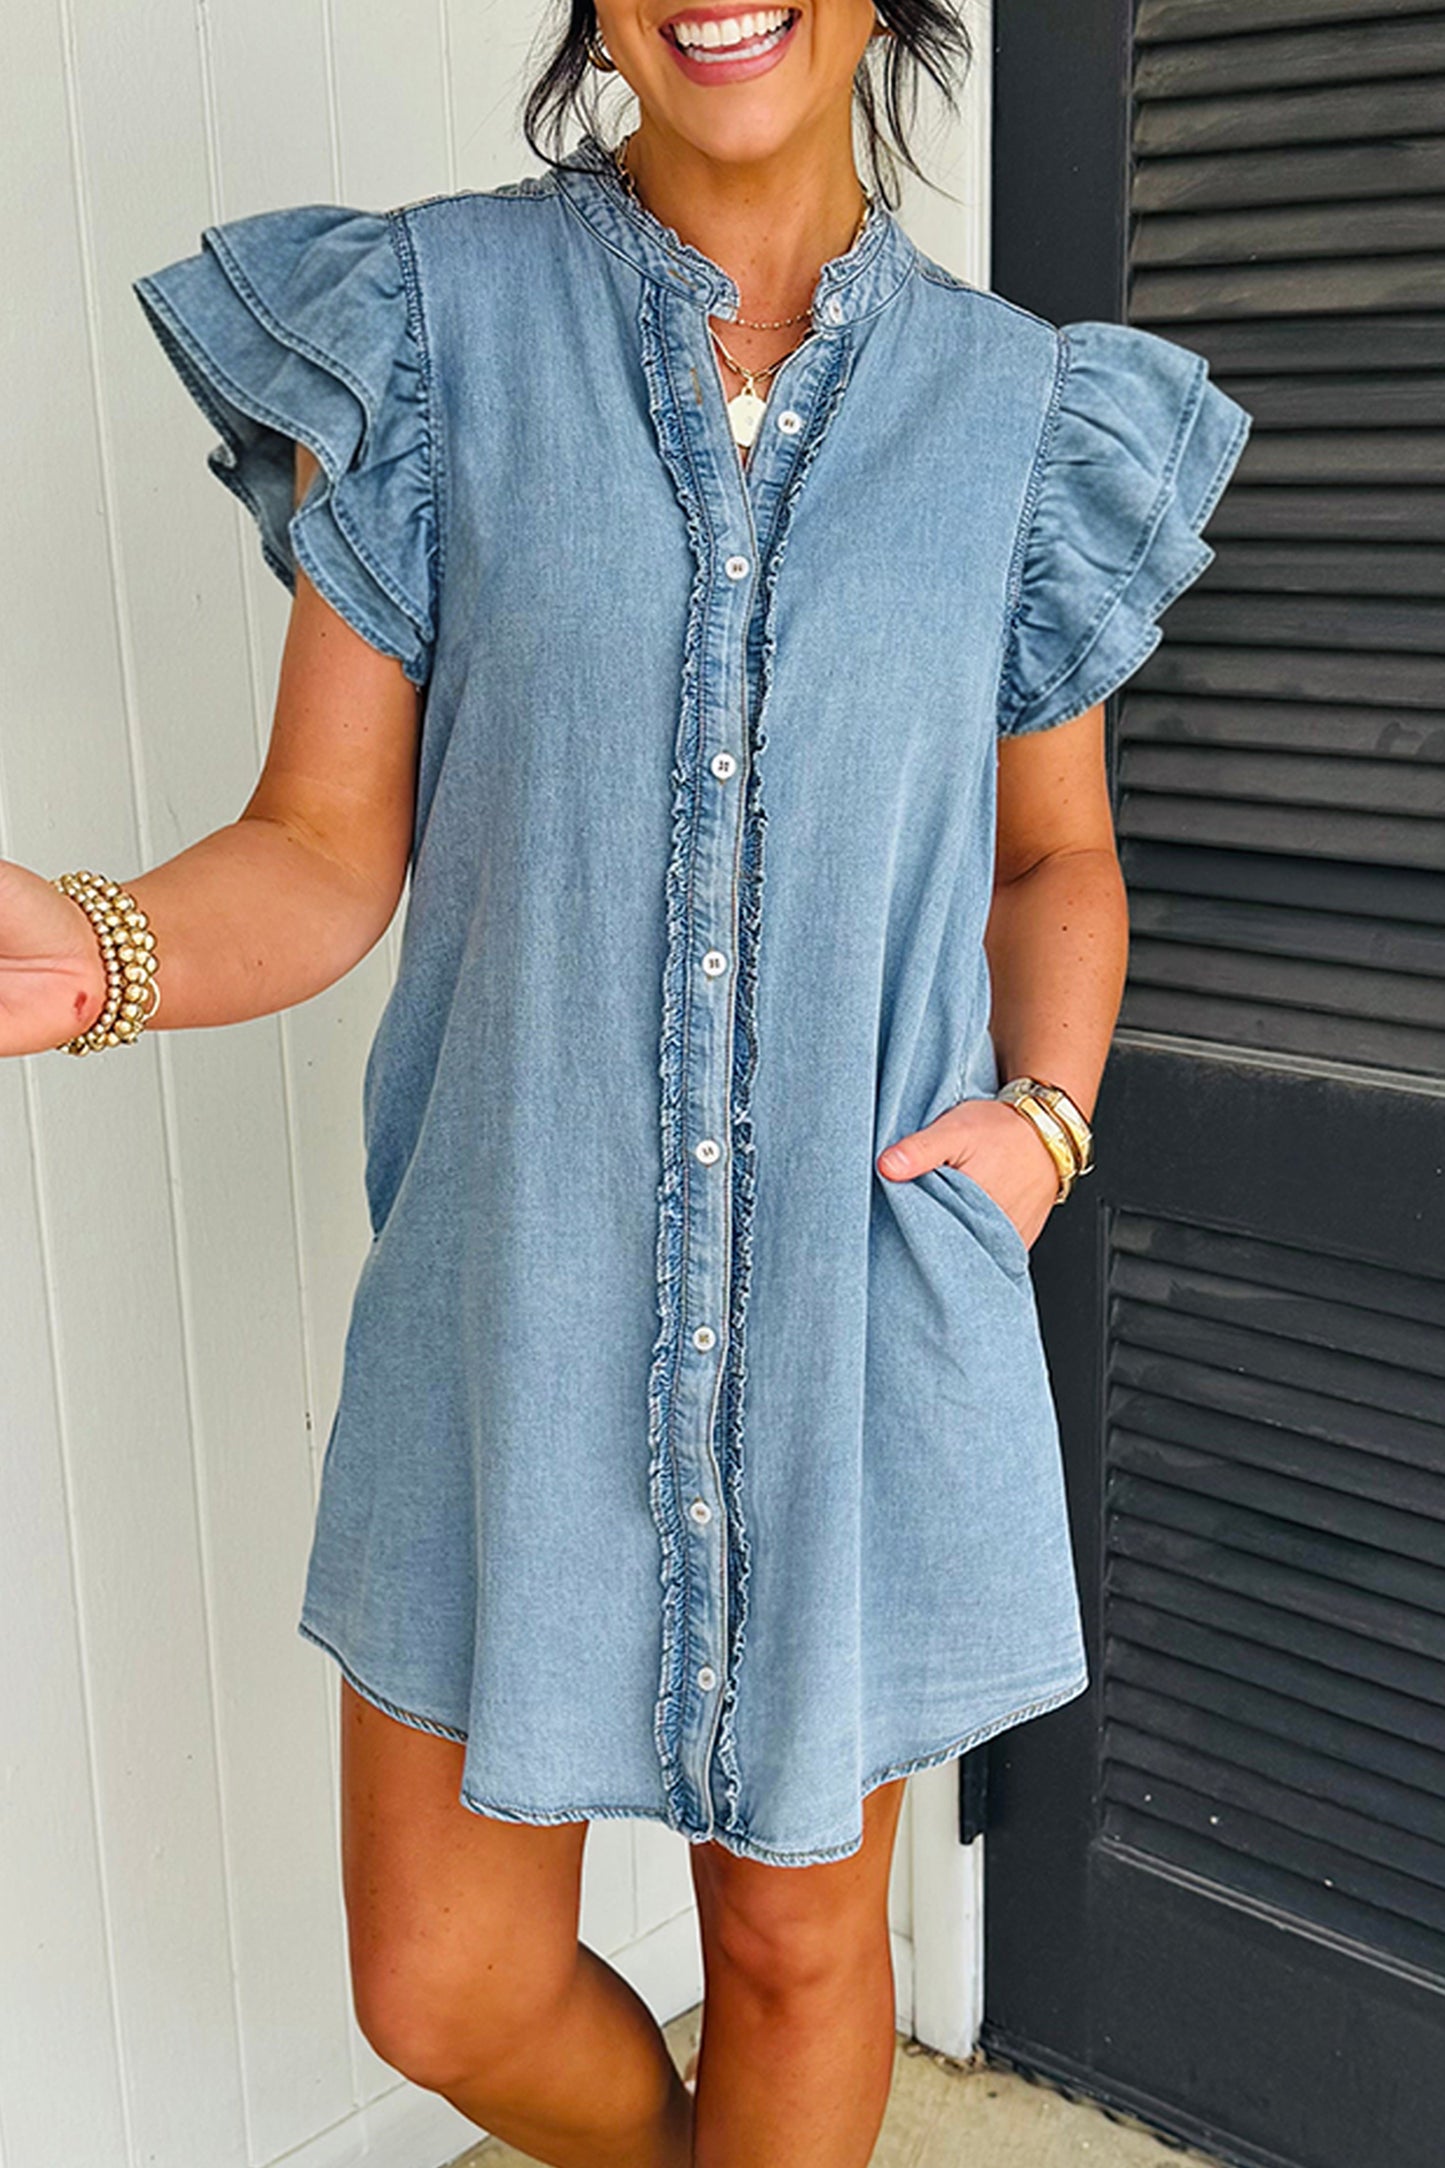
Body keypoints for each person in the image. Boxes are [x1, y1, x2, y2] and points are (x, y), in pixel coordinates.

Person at [0, 1, 1252, 2161]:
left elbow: (1052, 858)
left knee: (791, 1948)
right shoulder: (430, 332)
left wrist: (1043, 1126)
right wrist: (100, 947)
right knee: (443, 1980)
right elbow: (318, 846)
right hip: (513, 1303)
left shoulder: (1019, 417)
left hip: (859, 1308)